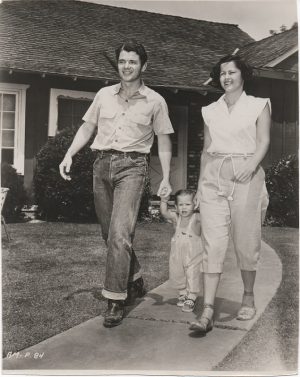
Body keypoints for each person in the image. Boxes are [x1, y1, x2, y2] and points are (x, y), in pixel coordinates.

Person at [59, 39, 174, 328]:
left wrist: (168, 178)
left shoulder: (155, 101)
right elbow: (88, 127)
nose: (126, 66)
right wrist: (69, 153)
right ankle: (134, 278)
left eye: (132, 61)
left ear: (143, 66)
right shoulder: (103, 95)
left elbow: (164, 140)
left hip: (133, 168)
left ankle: (114, 299)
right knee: (109, 234)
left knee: (120, 233)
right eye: (122, 61)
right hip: (101, 165)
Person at [189, 55, 271, 333]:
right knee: (213, 241)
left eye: (231, 72)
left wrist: (250, 166)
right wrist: (200, 184)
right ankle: (208, 309)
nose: (226, 77)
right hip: (214, 175)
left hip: (247, 173)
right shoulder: (210, 110)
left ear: (242, 75)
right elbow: (206, 149)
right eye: (222, 73)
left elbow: (264, 141)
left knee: (246, 239)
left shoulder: (258, 105)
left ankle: (248, 295)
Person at [160, 189, 203, 313]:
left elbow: (208, 216)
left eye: (188, 204)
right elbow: (164, 212)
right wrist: (164, 200)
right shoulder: (176, 217)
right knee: (177, 272)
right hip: (177, 253)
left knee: (192, 273)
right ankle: (183, 293)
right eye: (181, 204)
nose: (184, 208)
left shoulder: (197, 218)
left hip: (193, 253)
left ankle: (192, 296)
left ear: (195, 204)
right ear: (176, 206)